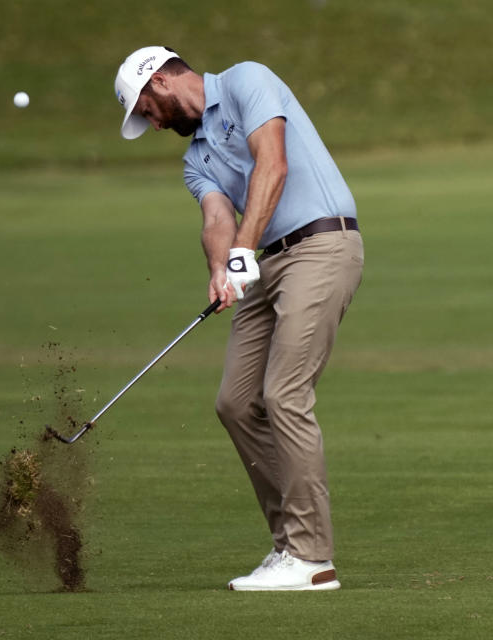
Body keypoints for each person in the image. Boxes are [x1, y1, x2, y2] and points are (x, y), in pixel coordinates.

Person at [114, 46, 363, 591]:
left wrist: (243, 251)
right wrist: (221, 271)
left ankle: (312, 558)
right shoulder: (194, 159)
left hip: (321, 246)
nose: (152, 125)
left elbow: (273, 162)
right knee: (235, 402)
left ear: (158, 82)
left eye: (146, 112)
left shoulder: (247, 80)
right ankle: (288, 547)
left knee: (284, 393)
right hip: (264, 263)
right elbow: (216, 218)